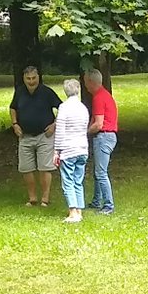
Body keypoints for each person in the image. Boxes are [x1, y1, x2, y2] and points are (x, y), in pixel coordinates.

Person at [9, 67, 62, 208]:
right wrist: (15, 124)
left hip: (44, 135)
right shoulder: (19, 92)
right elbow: (13, 108)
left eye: (34, 78)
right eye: (28, 78)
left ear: (38, 77)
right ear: (24, 79)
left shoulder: (47, 92)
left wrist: (54, 125)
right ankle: (32, 198)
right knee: (26, 168)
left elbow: (62, 108)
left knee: (45, 167)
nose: (31, 81)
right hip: (25, 136)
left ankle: (45, 199)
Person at [53, 79, 89, 223]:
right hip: (82, 148)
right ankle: (79, 210)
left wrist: (56, 150)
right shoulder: (83, 108)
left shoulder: (64, 108)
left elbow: (60, 130)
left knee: (67, 180)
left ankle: (73, 211)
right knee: (78, 180)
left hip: (69, 150)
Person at [84, 69, 118, 215]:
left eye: (85, 81)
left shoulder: (99, 98)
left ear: (91, 82)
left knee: (101, 173)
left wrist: (84, 133)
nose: (85, 84)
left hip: (104, 137)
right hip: (108, 137)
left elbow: (98, 124)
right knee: (98, 172)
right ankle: (97, 201)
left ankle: (108, 205)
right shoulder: (104, 95)